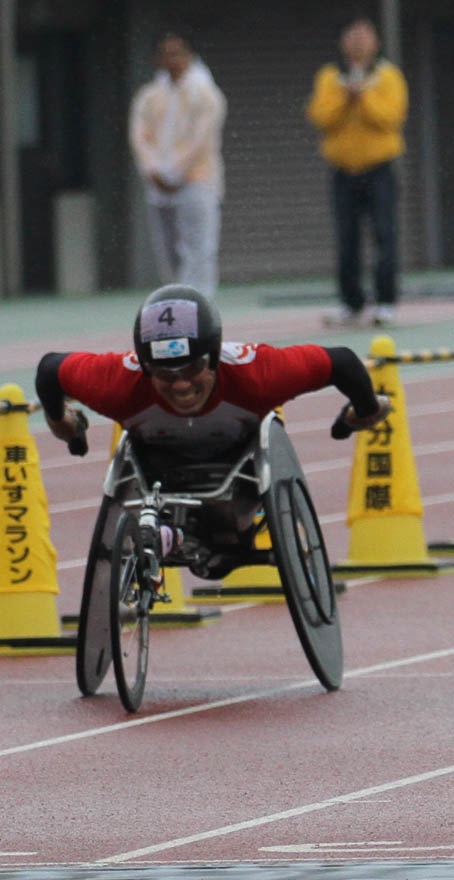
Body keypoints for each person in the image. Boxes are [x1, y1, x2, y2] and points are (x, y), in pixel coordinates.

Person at [35, 284, 391, 578]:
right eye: (164, 373)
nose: (181, 384)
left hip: (240, 463)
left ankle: (204, 533)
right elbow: (50, 370)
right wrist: (64, 424)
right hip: (160, 465)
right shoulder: (118, 381)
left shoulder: (257, 372)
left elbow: (342, 362)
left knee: (227, 528)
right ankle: (171, 534)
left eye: (193, 368)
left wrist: (362, 414)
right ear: (144, 366)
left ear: (215, 355)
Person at [307, 16, 409, 328]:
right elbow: (320, 117)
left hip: (380, 169)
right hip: (342, 170)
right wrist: (344, 99)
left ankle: (386, 302)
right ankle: (350, 302)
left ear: (376, 42)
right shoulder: (329, 77)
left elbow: (391, 118)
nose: (358, 41)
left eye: (365, 35)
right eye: (352, 35)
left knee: (385, 235)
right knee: (347, 238)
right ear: (342, 41)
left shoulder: (388, 76)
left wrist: (363, 97)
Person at [129, 31, 227, 298]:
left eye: (177, 53)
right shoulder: (149, 96)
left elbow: (202, 140)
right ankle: (175, 301)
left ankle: (198, 303)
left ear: (189, 56)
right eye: (166, 54)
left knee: (199, 249)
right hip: (158, 185)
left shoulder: (205, 95)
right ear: (157, 59)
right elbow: (140, 138)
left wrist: (176, 172)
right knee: (168, 252)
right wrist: (154, 171)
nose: (172, 60)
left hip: (197, 180)